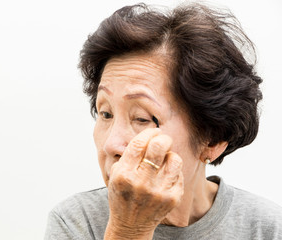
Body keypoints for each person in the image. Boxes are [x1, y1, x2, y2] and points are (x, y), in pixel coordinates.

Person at [45, 2, 282, 239]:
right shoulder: (75, 222)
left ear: (213, 139)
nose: (111, 145)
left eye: (142, 118)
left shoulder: (267, 228)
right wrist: (128, 229)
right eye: (106, 114)